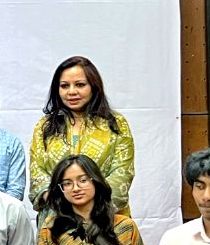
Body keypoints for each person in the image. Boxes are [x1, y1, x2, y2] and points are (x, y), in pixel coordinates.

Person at [29, 56, 135, 215]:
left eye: (80, 85)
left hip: (105, 217)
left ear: (94, 86)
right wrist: (62, 203)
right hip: (58, 217)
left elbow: (122, 174)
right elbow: (38, 173)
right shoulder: (45, 127)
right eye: (64, 86)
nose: (72, 91)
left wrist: (88, 209)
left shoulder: (116, 124)